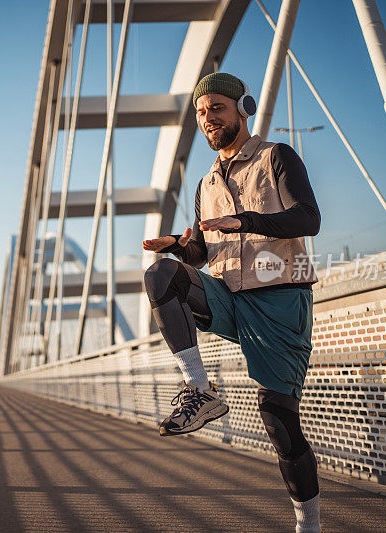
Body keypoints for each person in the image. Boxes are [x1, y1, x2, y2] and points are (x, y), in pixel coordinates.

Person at [141, 72, 322, 533]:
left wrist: (243, 221)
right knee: (163, 274)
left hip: (279, 299)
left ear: (244, 106)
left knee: (278, 418)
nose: (208, 120)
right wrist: (181, 249)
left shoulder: (276, 156)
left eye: (216, 108)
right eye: (201, 113)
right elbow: (203, 253)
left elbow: (308, 218)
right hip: (226, 295)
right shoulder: (206, 183)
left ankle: (309, 524)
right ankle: (200, 390)